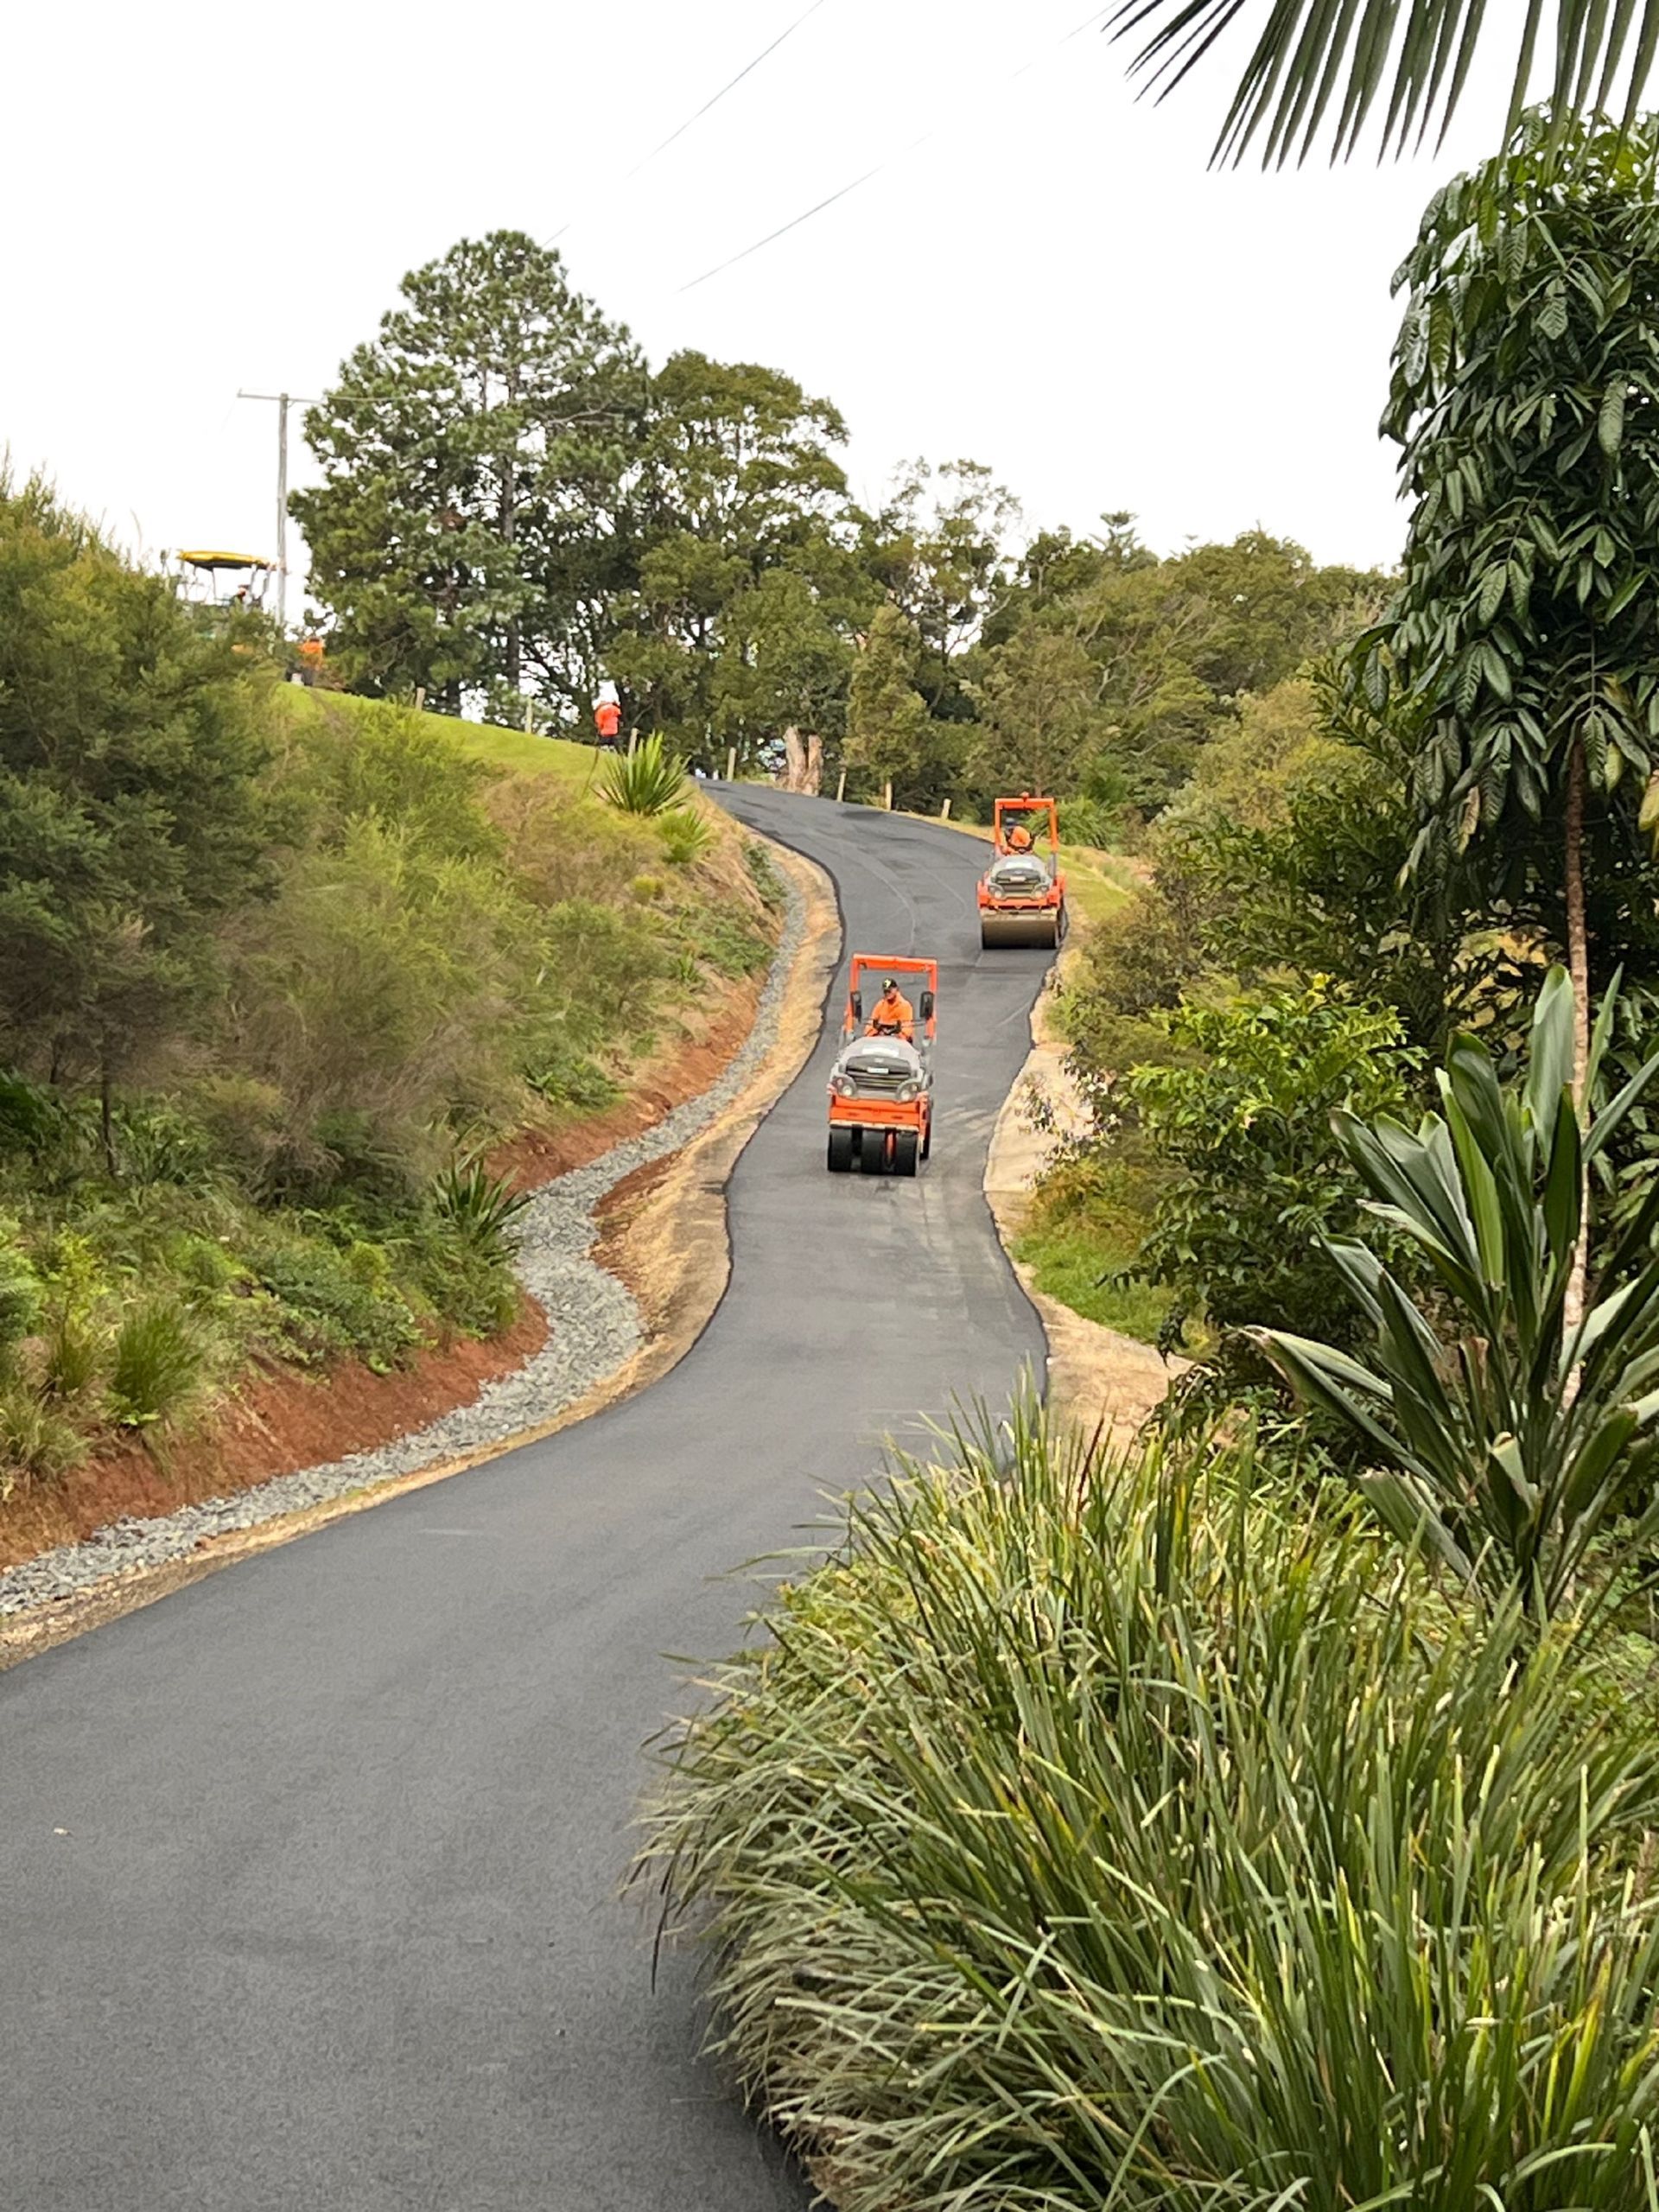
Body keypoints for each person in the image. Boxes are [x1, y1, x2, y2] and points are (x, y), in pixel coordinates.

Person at [866, 977, 914, 1041]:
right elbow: (872, 1023)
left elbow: (907, 1027)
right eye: (885, 991)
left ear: (896, 989)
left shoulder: (905, 1006)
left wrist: (897, 1034)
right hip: (880, 1039)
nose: (887, 993)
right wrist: (874, 1032)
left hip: (898, 1041)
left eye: (889, 990)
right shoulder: (880, 1004)